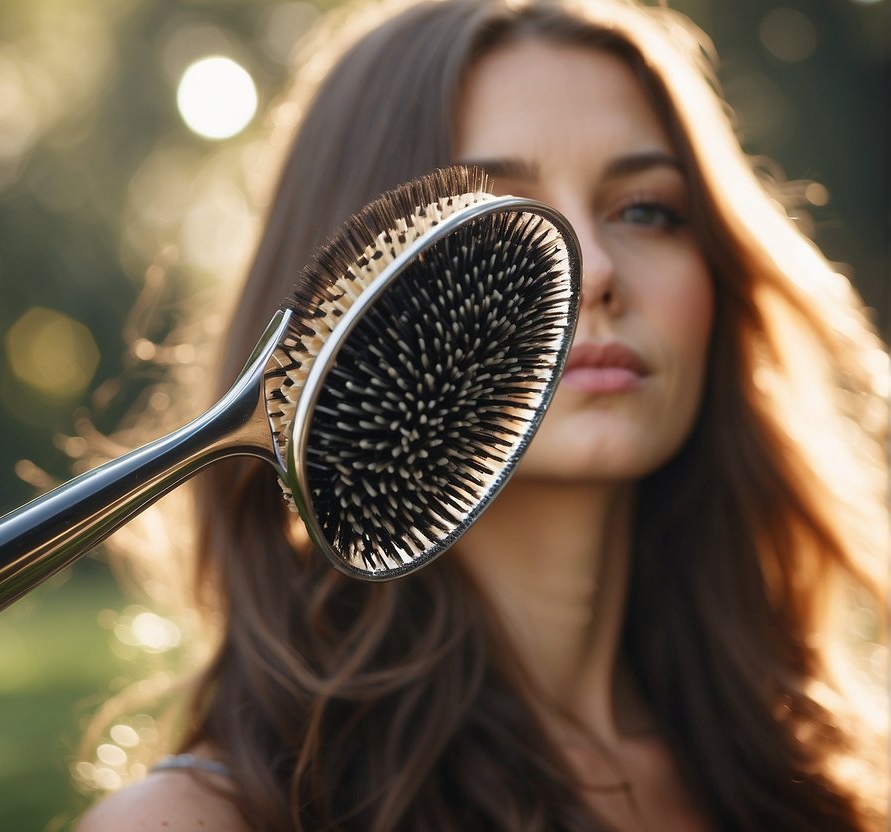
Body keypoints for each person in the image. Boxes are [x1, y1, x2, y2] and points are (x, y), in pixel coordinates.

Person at [78, 0, 889, 829]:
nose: (596, 269)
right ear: (345, 300)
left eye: (646, 209)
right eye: (499, 221)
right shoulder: (208, 820)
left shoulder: (816, 773)